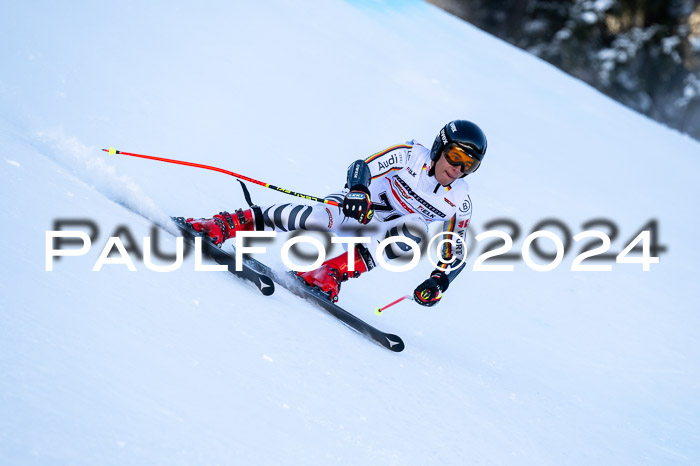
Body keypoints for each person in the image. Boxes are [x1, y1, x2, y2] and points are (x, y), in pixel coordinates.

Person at [187, 120, 487, 307]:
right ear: (440, 148)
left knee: (416, 231)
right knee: (317, 219)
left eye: (468, 165)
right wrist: (359, 189)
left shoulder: (459, 201)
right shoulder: (410, 155)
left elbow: (455, 250)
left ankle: (328, 273)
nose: (457, 169)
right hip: (353, 211)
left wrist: (440, 281)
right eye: (455, 156)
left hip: (374, 239)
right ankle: (225, 224)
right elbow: (362, 166)